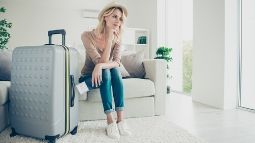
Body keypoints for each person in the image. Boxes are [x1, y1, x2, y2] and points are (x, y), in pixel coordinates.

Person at [79, 1, 131, 139]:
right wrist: (108, 40)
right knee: (107, 70)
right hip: (88, 77)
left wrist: (101, 66)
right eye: (114, 16)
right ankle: (110, 120)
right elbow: (99, 61)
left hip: (104, 73)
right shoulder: (87, 36)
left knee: (112, 70)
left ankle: (121, 119)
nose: (118, 21)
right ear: (105, 17)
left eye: (120, 19)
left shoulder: (118, 38)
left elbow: (116, 63)